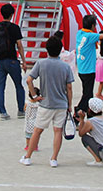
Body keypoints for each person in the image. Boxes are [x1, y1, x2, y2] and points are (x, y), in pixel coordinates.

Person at [21, 36, 75, 168]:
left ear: (47, 49)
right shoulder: (65, 67)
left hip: (46, 104)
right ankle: (54, 159)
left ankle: (28, 156)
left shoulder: (41, 63)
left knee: (37, 130)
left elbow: (29, 80)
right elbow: (69, 87)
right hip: (61, 104)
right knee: (57, 131)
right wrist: (69, 104)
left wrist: (34, 95)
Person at [0, 3, 26, 120]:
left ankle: (3, 112)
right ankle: (21, 110)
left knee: (0, 86)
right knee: (18, 86)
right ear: (12, 14)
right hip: (12, 60)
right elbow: (19, 45)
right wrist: (24, 61)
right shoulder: (14, 28)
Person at [74, 14, 103, 114]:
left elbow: (90, 29)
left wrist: (93, 18)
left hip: (81, 69)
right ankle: (78, 113)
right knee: (87, 95)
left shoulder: (80, 33)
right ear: (93, 26)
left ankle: (86, 113)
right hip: (88, 70)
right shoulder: (91, 36)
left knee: (87, 93)